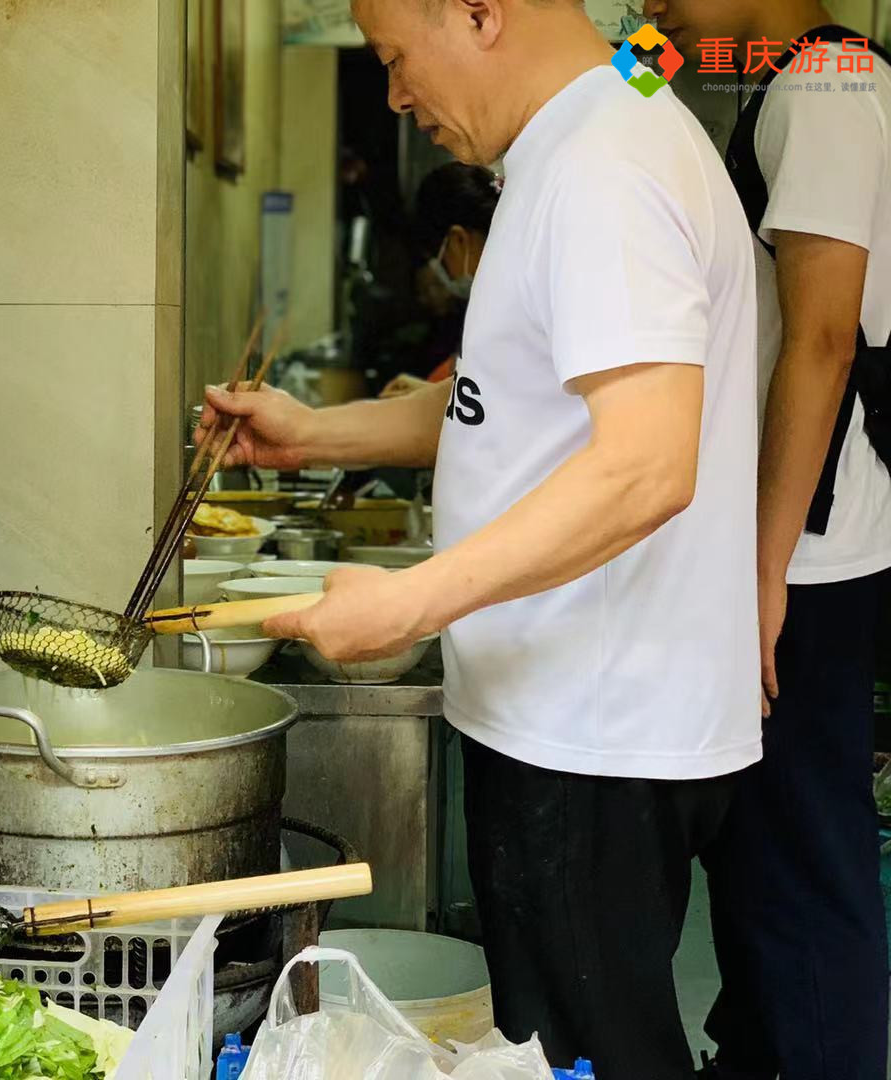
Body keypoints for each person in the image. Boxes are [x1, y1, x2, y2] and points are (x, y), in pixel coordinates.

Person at [198, 1, 761, 1075]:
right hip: (571, 719)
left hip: (593, 730)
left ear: (479, 11)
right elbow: (500, 406)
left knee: (597, 1055)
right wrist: (310, 433)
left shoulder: (606, 165)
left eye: (397, 58)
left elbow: (648, 463)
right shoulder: (575, 148)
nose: (398, 95)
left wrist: (412, 601)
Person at [642, 2, 891, 1077]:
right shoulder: (782, 80)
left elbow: (827, 338)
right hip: (792, 550)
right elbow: (614, 95)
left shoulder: (831, 83)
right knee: (760, 859)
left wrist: (760, 575)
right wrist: (634, 55)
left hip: (813, 555)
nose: (651, 10)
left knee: (803, 865)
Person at [389, 161, 502, 391]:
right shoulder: (493, 300)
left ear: (458, 240)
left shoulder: (512, 304)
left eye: (439, 259)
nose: (443, 275)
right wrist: (430, 394)